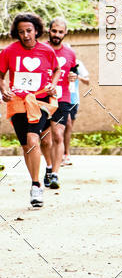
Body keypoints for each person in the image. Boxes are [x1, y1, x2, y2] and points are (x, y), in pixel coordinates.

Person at [0, 12, 61, 208]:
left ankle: (36, 186)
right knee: (27, 145)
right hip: (18, 101)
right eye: (21, 32)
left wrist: (53, 84)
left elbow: (57, 69)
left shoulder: (47, 51)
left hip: (40, 100)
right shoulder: (8, 51)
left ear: (36, 31)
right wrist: (4, 89)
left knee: (33, 138)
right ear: (16, 33)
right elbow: (1, 75)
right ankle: (36, 178)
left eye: (29, 30)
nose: (26, 35)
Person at [42, 17, 77, 188]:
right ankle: (48, 167)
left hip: (62, 98)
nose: (57, 34)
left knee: (58, 135)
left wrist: (73, 76)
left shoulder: (70, 53)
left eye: (60, 32)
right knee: (44, 140)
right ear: (49, 30)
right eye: (54, 31)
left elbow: (73, 72)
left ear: (65, 33)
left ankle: (55, 174)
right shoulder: (40, 49)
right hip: (41, 98)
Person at [63, 56, 90, 165]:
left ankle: (66, 154)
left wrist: (77, 76)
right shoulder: (57, 62)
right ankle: (60, 153)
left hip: (73, 100)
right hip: (59, 98)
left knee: (68, 127)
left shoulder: (77, 63)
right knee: (64, 124)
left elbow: (87, 81)